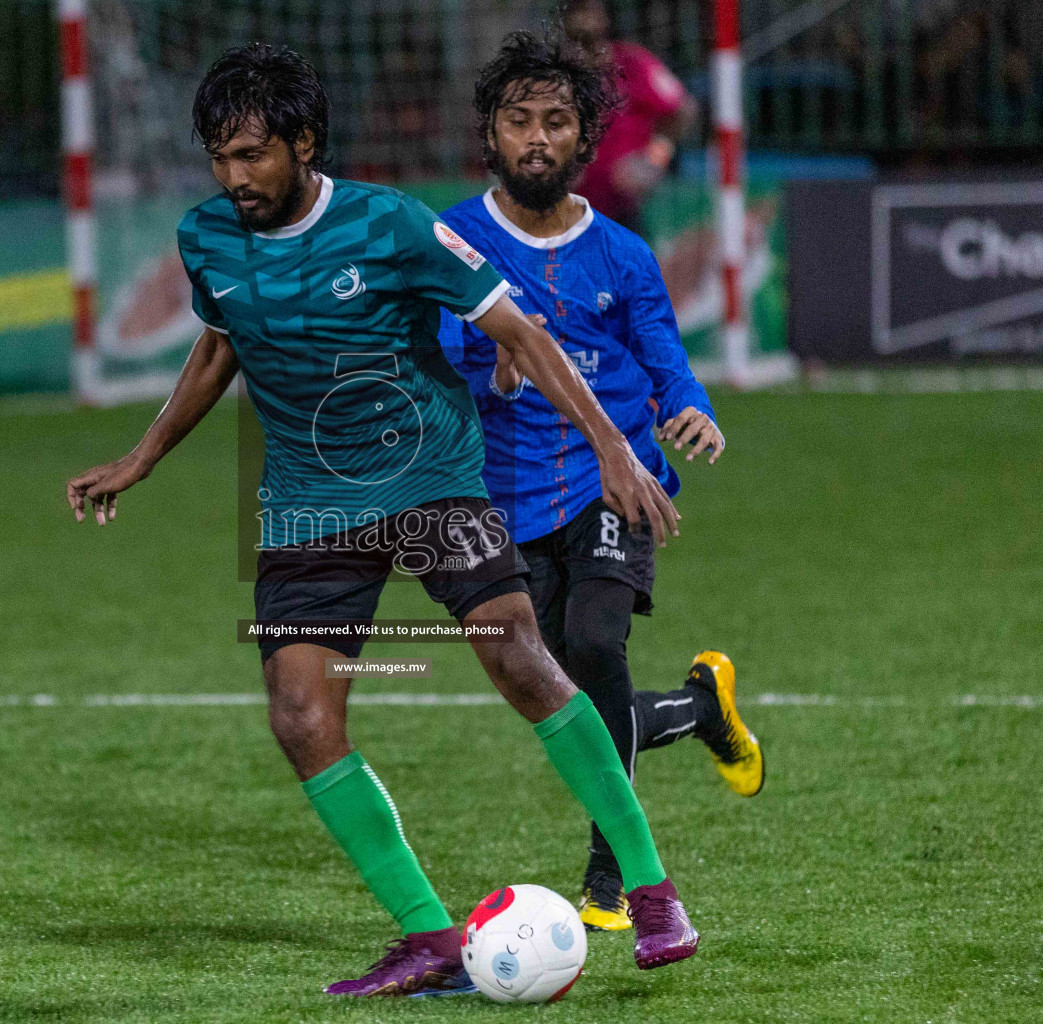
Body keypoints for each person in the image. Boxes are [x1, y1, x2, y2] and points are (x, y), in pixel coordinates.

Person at [66, 43, 699, 996]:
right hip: (308, 503)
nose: (234, 177)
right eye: (220, 158)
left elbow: (518, 330)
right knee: (300, 714)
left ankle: (650, 889)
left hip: (430, 475)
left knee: (522, 659)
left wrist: (612, 445)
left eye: (252, 156)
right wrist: (142, 456)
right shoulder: (208, 238)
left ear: (304, 144)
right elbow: (219, 344)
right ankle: (431, 940)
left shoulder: (392, 225)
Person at [437, 31, 765, 932]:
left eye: (556, 122)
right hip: (506, 491)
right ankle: (699, 708)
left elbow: (665, 359)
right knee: (564, 693)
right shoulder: (456, 240)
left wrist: (692, 407)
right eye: (517, 121)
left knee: (595, 644)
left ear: (586, 142)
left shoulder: (622, 254)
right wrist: (488, 375)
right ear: (491, 134)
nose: (536, 139)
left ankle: (609, 876)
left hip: (614, 478)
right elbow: (443, 358)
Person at [563, 0, 697, 232]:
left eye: (587, 11)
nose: (582, 20)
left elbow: (683, 110)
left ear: (603, 17)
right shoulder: (553, 73)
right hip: (565, 210)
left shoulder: (631, 62)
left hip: (624, 208)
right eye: (575, 12)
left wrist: (654, 158)